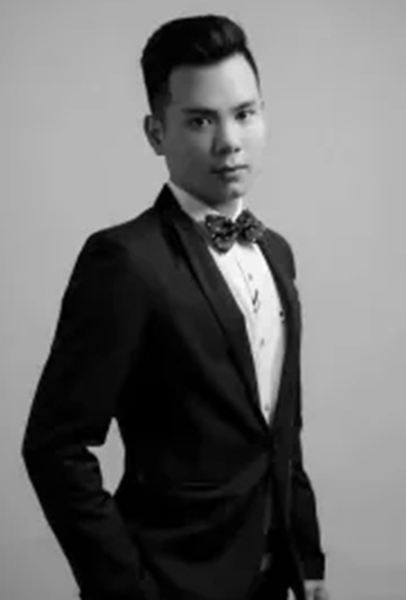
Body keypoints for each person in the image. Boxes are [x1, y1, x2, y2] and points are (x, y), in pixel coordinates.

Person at [22, 14, 329, 600]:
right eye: (200, 120)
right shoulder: (125, 261)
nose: (230, 141)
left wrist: (307, 561)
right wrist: (127, 590)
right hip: (173, 583)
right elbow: (54, 447)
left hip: (276, 580)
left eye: (245, 113)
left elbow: (281, 430)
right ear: (156, 133)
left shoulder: (277, 253)